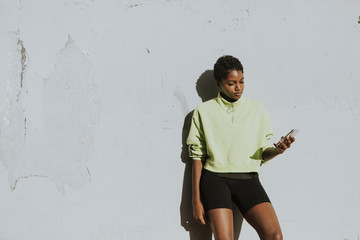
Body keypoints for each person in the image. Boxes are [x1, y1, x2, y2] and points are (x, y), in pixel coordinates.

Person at [186, 55, 295, 240]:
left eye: (242, 81)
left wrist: (278, 150)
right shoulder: (203, 112)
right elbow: (197, 158)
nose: (238, 88)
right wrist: (195, 200)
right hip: (215, 180)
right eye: (231, 83)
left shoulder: (257, 110)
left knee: (274, 236)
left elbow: (262, 154)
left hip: (248, 179)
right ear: (219, 83)